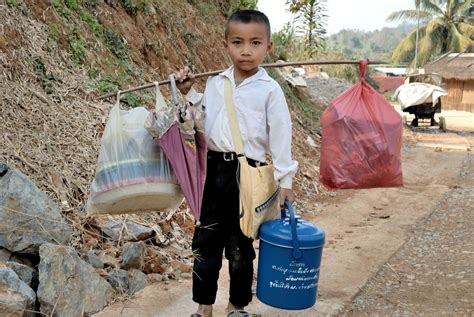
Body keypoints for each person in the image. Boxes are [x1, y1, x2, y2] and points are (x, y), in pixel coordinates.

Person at [175, 9, 298, 317]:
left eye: (255, 43)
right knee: (205, 243)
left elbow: (281, 136)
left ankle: (236, 307)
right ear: (226, 44)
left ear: (267, 47)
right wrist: (188, 92)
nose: (246, 50)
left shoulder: (270, 90)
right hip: (212, 173)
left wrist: (286, 182)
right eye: (238, 42)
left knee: (241, 246)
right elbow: (203, 117)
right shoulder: (217, 84)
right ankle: (204, 307)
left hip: (250, 176)